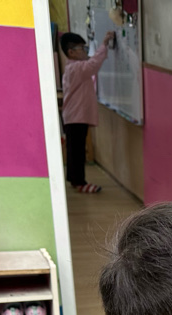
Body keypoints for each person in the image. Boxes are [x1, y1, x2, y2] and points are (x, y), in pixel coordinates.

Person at [60, 30, 114, 193]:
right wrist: (104, 44)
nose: (85, 51)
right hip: (76, 117)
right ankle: (80, 182)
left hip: (74, 116)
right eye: (82, 48)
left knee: (74, 150)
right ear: (71, 52)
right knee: (77, 151)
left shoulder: (74, 67)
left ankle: (74, 179)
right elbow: (93, 64)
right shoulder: (76, 68)